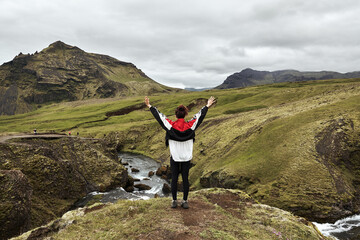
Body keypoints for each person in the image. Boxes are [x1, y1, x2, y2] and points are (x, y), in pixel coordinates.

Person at [145, 96, 216, 209]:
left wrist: (150, 106)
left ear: (176, 115)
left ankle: (174, 201)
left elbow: (160, 117)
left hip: (175, 157)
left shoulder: (171, 126)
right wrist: (207, 105)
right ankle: (185, 201)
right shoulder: (190, 126)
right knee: (185, 179)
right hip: (186, 158)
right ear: (185, 114)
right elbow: (199, 116)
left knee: (174, 179)